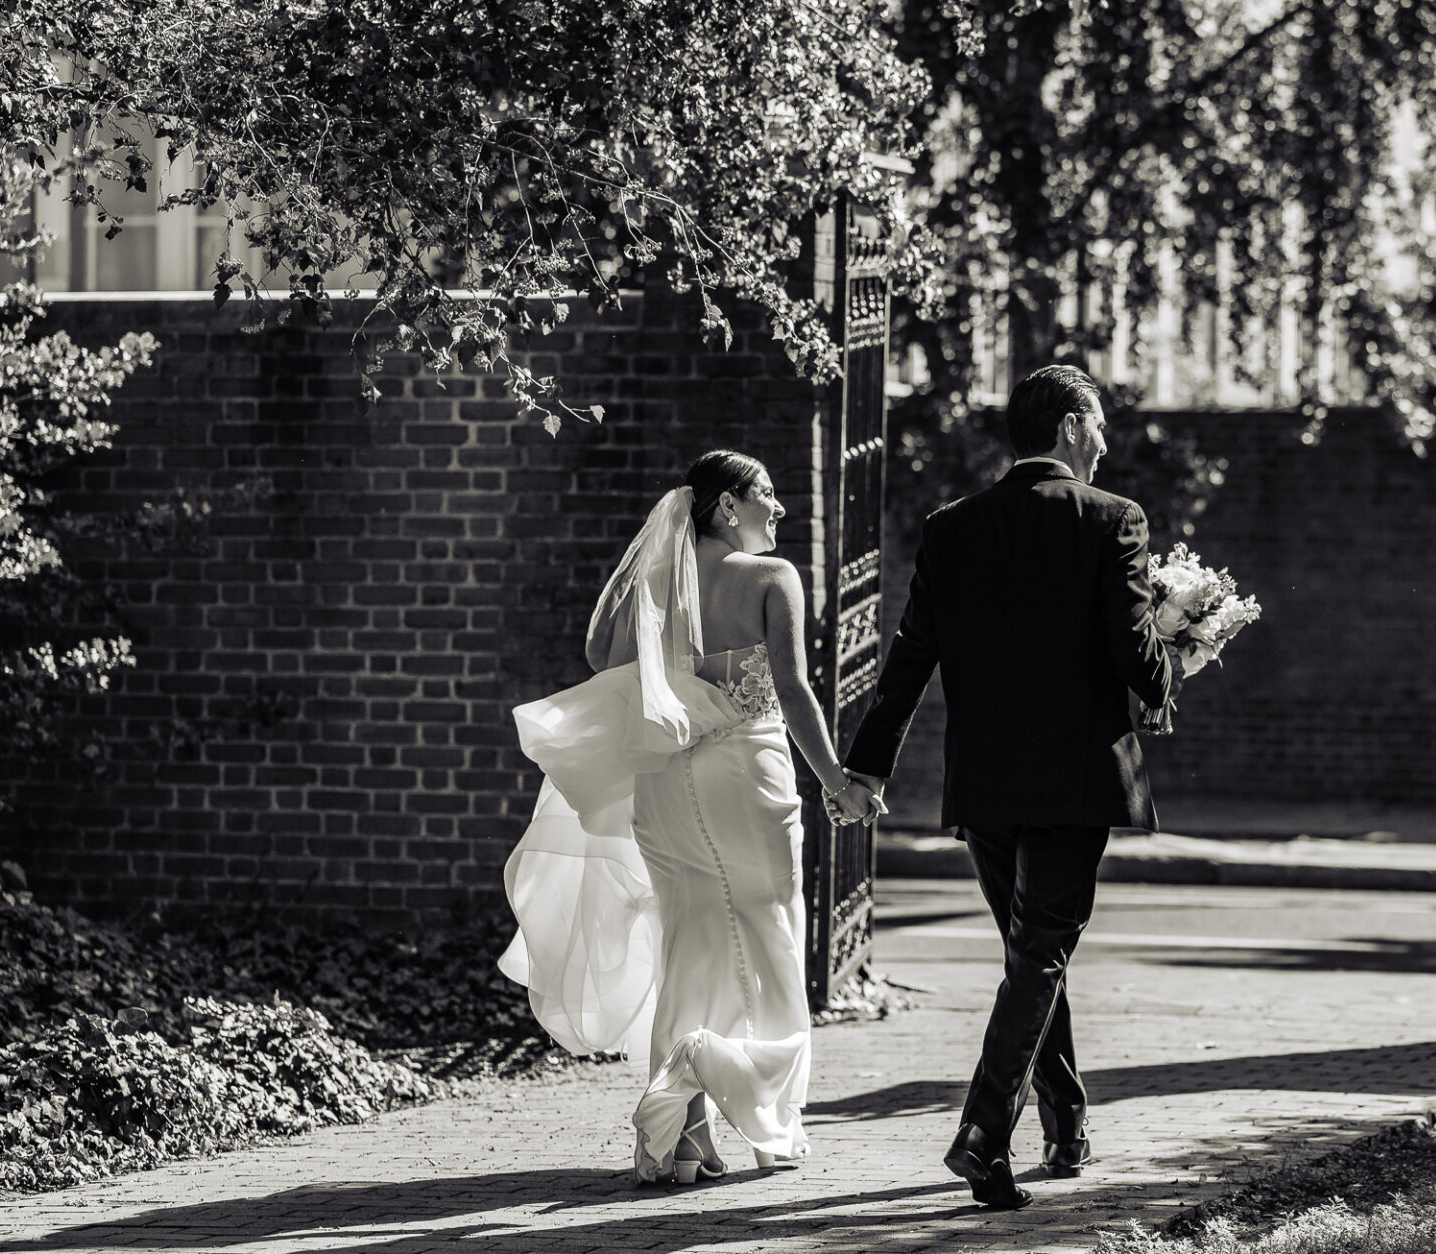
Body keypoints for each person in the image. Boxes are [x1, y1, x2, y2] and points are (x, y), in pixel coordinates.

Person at [842, 365, 1182, 1210]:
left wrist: (868, 763)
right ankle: (984, 1133)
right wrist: (1172, 665)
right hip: (1073, 780)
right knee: (1040, 956)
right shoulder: (1114, 520)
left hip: (985, 780)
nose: (1104, 442)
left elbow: (910, 657)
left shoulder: (953, 528)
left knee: (1034, 956)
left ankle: (1065, 1119)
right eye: (1098, 424)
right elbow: (1135, 655)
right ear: (1070, 426)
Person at [497, 450, 877, 1184]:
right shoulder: (774, 578)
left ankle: (681, 1134)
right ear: (728, 506)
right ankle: (761, 1114)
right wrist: (837, 780)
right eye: (768, 494)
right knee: (770, 934)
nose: (782, 508)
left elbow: (602, 660)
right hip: (747, 773)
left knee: (689, 944)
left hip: (666, 777)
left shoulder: (656, 579)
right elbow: (793, 690)